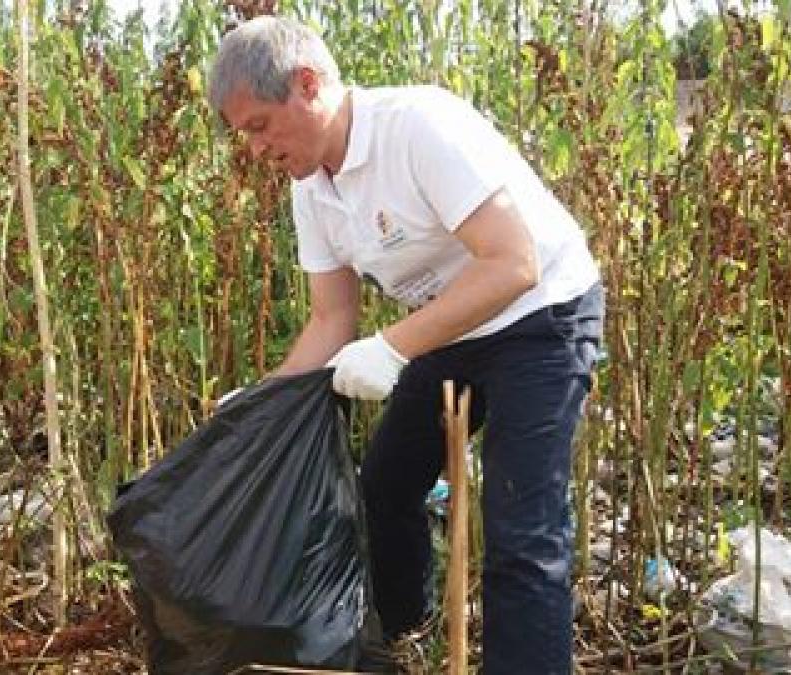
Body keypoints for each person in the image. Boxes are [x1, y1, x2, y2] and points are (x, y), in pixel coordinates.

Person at [207, 15, 604, 674]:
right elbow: (331, 319)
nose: (253, 149)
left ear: (307, 84)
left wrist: (391, 349)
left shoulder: (418, 127)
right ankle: (396, 631)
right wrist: (265, 400)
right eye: (241, 134)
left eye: (258, 125)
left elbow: (513, 264)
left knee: (522, 532)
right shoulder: (312, 190)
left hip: (542, 317)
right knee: (384, 488)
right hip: (451, 323)